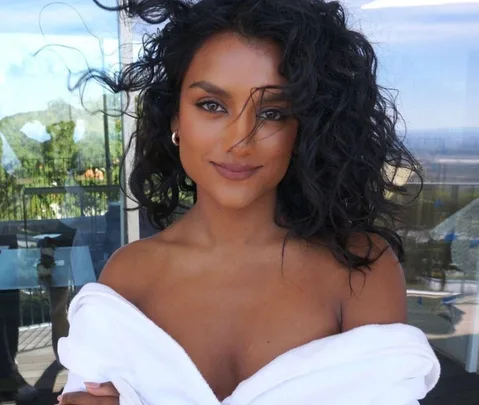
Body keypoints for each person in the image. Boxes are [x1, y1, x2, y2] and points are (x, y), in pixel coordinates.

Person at [57, 0, 440, 404]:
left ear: (306, 128)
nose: (240, 141)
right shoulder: (129, 276)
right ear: (175, 118)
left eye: (272, 112)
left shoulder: (359, 270)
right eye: (211, 105)